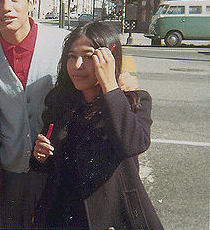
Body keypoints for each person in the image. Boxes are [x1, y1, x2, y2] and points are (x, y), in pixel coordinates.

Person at [0, 0, 138, 229]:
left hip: (56, 166)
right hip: (10, 168)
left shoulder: (63, 43)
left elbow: (107, 69)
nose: (6, 8)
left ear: (31, 1)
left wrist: (123, 81)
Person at [32, 21, 164, 230]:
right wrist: (40, 155)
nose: (77, 66)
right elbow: (48, 155)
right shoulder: (60, 100)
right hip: (63, 213)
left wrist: (110, 86)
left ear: (108, 59)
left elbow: (134, 144)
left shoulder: (133, 101)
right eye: (71, 57)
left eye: (89, 56)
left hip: (110, 214)